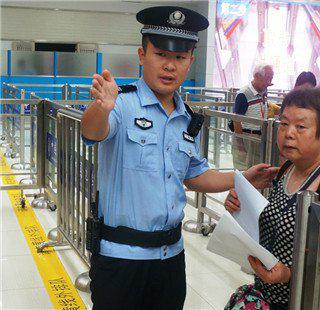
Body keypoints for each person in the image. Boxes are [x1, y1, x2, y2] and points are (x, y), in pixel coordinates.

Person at [81, 6, 277, 309]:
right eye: (161, 54)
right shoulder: (122, 104)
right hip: (121, 257)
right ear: (142, 54)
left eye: (180, 58)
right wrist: (101, 108)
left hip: (171, 258)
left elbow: (193, 174)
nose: (170, 66)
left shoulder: (188, 120)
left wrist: (242, 177)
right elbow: (93, 132)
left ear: (190, 62)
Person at [225, 88, 320, 309]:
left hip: (314, 302)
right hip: (273, 298)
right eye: (283, 124)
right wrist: (239, 205)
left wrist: (290, 272)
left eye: (300, 127)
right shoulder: (288, 169)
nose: (288, 133)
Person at [232, 64, 274, 170]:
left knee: (256, 172)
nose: (269, 83)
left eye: (271, 78)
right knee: (243, 171)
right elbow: (236, 120)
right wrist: (240, 144)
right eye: (267, 78)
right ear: (256, 76)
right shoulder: (243, 94)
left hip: (260, 138)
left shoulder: (264, 91)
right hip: (246, 137)